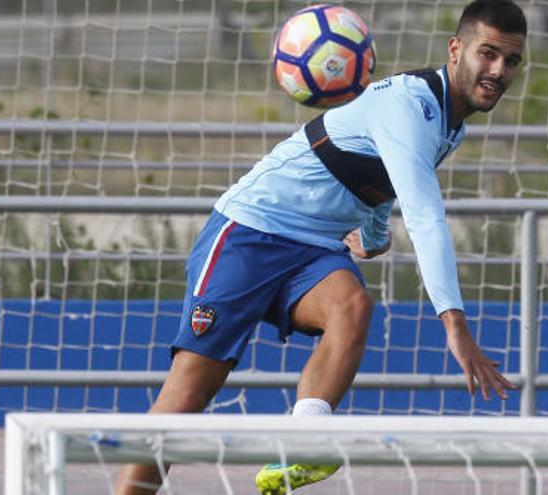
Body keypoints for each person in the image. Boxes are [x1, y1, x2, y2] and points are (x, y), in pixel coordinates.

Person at [116, 0, 526, 493]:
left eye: (512, 61)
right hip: (249, 234)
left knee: (352, 307)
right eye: (489, 54)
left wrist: (373, 240)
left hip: (312, 249)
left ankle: (305, 442)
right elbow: (425, 217)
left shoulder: (447, 119)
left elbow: (376, 183)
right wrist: (454, 323)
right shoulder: (409, 105)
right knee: (184, 403)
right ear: (456, 49)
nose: (499, 71)